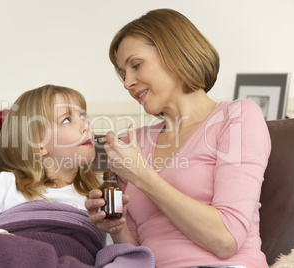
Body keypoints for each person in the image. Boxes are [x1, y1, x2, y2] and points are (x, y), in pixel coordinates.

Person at [85, 8, 270, 268]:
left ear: (175, 52)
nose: (127, 82)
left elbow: (226, 239)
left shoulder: (236, 117)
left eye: (136, 65)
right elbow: (137, 254)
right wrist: (116, 226)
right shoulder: (135, 142)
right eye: (123, 73)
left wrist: (143, 176)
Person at [0, 84, 100, 248]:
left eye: (84, 116)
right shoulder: (8, 184)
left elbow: (110, 250)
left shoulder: (98, 191)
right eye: (67, 119)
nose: (86, 125)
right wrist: (7, 242)